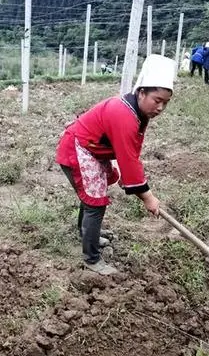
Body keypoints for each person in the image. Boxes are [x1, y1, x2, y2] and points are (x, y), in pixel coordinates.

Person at [56, 55, 175, 275]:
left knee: (92, 196)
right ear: (141, 92)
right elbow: (129, 160)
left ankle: (86, 234)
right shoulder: (125, 115)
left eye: (165, 103)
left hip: (92, 150)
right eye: (157, 100)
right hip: (78, 149)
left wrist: (131, 178)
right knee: (95, 202)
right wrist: (148, 197)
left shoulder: (138, 111)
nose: (160, 107)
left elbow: (129, 153)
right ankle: (91, 259)